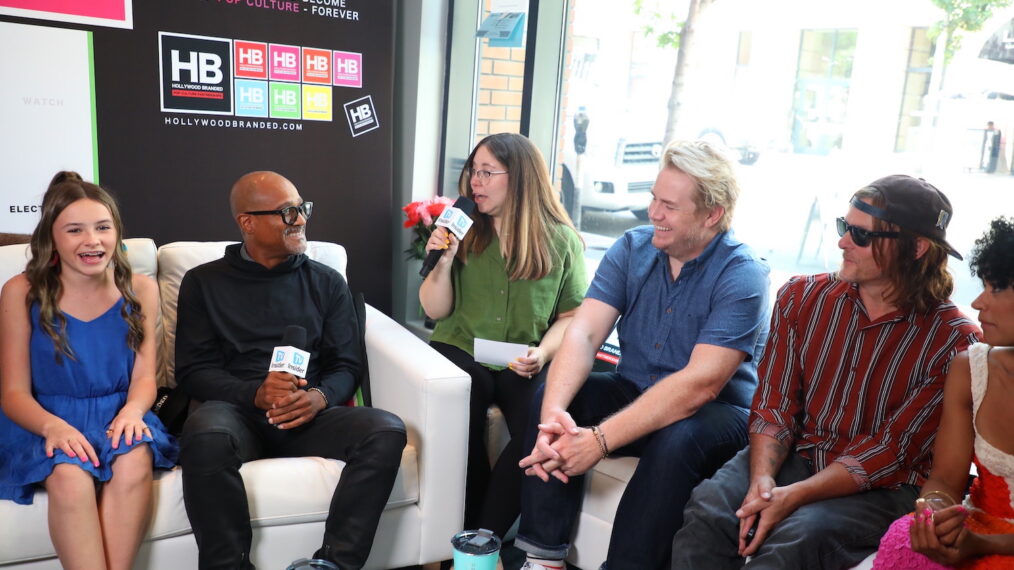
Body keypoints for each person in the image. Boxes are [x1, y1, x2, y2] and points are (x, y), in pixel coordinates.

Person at [671, 175, 983, 569]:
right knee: (710, 508)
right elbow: (774, 404)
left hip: (885, 487)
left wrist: (794, 496)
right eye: (843, 227)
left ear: (917, 248)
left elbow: (890, 451)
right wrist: (762, 480)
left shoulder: (955, 341)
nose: (842, 242)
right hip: (797, 454)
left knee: (798, 539)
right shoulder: (801, 297)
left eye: (861, 235)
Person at [515, 139, 771, 570]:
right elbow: (584, 333)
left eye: (669, 206)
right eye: (654, 198)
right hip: (635, 389)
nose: (653, 212)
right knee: (552, 396)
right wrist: (555, 413)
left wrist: (598, 441)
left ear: (712, 214)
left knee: (679, 438)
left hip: (717, 415)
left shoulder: (743, 274)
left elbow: (699, 386)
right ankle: (543, 560)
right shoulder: (633, 248)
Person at [174, 171, 407, 570]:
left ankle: (333, 564)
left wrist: (318, 398)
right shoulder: (203, 283)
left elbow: (346, 364)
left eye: (302, 208)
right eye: (286, 212)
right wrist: (254, 393)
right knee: (205, 433)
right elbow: (194, 370)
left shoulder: (327, 282)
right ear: (247, 222)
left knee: (385, 430)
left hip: (307, 413)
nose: (300, 219)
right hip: (238, 412)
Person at [0, 171, 177, 570]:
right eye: (75, 230)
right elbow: (12, 393)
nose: (92, 241)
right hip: (46, 418)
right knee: (69, 477)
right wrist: (52, 428)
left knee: (134, 460)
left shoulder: (141, 289)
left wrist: (133, 412)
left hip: (119, 412)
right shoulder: (20, 292)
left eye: (102, 227)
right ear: (52, 239)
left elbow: (146, 377)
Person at [419, 132, 587, 538]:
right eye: (473, 172)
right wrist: (443, 260)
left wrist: (543, 354)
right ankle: (464, 533)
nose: (475, 182)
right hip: (460, 346)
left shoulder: (560, 241)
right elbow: (433, 309)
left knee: (542, 422)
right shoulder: (462, 230)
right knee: (465, 395)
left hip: (522, 358)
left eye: (487, 172)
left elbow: (572, 316)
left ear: (521, 178)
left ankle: (483, 537)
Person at [873, 216, 1014, 569]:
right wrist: (934, 511)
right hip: (979, 525)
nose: (979, 303)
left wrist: (980, 543)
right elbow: (945, 480)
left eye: (995, 288)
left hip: (993, 542)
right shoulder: (970, 368)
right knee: (904, 542)